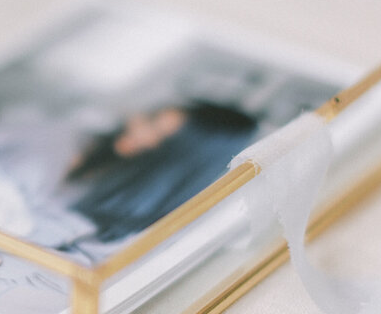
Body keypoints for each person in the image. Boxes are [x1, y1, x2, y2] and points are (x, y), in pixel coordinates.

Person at [65, 101, 259, 243]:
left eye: (157, 132)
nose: (137, 126)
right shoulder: (82, 145)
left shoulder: (114, 231)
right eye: (151, 118)